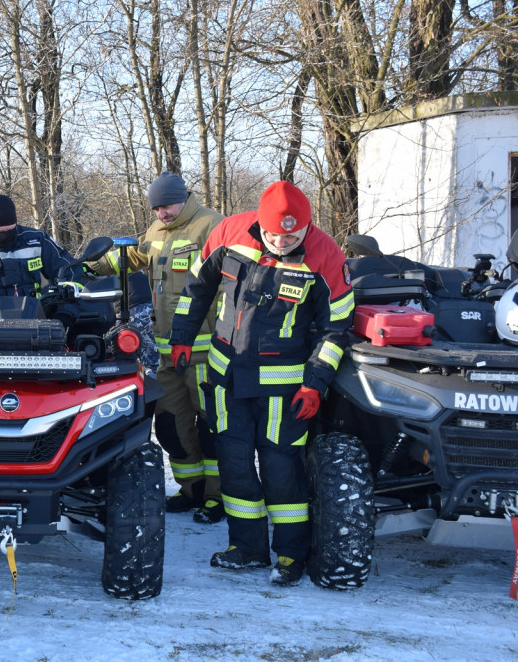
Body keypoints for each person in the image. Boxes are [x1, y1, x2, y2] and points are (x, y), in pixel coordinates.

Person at [169, 180, 354, 586]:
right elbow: (196, 289)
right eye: (273, 234)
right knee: (234, 465)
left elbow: (336, 330)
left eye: (291, 235)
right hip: (226, 380)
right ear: (259, 223)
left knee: (281, 469)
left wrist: (314, 384)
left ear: (307, 227)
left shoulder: (326, 256)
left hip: (283, 391)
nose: (281, 241)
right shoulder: (229, 233)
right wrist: (181, 336)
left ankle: (291, 554)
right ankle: (248, 548)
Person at [89, 172, 225, 523]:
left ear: (183, 198)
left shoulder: (212, 227)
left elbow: (230, 289)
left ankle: (217, 497)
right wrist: (89, 263)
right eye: (156, 208)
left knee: (213, 427)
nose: (161, 213)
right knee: (170, 425)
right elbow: (130, 257)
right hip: (167, 356)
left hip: (206, 354)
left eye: (166, 206)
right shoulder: (154, 232)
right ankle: (191, 489)